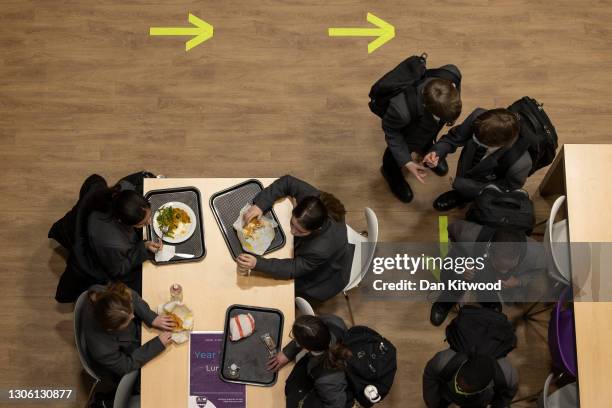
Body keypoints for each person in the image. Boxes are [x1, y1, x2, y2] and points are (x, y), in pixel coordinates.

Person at [236, 175, 354, 301]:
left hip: (326, 275)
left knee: (278, 290)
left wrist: (257, 263)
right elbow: (287, 181)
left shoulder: (320, 249)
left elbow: (292, 269)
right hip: (317, 250)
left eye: (300, 231)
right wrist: (260, 205)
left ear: (316, 229)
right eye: (292, 223)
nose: (292, 231)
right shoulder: (312, 202)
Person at [430, 220, 546, 327]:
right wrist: (460, 266)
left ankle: (489, 301)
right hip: (473, 264)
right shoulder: (468, 235)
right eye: (500, 267)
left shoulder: (535, 253)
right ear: (490, 251)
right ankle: (445, 301)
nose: (504, 272)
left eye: (509, 267)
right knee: (458, 278)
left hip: (494, 283)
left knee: (489, 294)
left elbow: (538, 273)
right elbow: (450, 231)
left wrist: (518, 282)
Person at [424, 108, 532, 211]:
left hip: (486, 180)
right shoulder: (478, 117)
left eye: (479, 142)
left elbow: (506, 189)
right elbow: (454, 138)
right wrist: (436, 152)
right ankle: (459, 194)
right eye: (474, 136)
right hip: (467, 162)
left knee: (469, 193)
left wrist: (466, 187)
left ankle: (463, 198)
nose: (473, 139)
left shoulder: (520, 164)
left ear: (501, 144)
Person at [381, 69, 462, 203]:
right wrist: (406, 161)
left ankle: (426, 147)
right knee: (394, 156)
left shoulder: (452, 74)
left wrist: (436, 150)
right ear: (426, 105)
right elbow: (391, 132)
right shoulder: (401, 111)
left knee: (428, 135)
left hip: (427, 129)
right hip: (408, 134)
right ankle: (390, 172)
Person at [81, 282, 175, 385]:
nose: (133, 316)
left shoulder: (102, 293)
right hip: (126, 356)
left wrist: (152, 318)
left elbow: (130, 296)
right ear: (111, 329)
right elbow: (127, 366)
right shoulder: (102, 350)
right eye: (128, 320)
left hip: (132, 335)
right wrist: (158, 343)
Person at [87, 187, 162, 294]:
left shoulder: (124, 193)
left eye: (149, 216)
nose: (150, 222)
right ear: (123, 222)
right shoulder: (115, 244)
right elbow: (118, 270)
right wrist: (144, 247)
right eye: (143, 223)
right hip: (114, 267)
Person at [268, 315, 354, 408]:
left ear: (305, 348)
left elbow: (337, 404)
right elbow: (311, 335)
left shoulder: (326, 380)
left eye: (295, 338)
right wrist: (287, 353)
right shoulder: (333, 321)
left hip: (332, 392)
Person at [423, 351, 518, 408]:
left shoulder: (507, 376)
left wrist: (497, 406)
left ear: (485, 387)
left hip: (480, 399)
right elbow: (430, 375)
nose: (458, 389)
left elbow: (508, 394)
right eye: (458, 384)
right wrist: (433, 404)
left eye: (466, 391)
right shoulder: (442, 361)